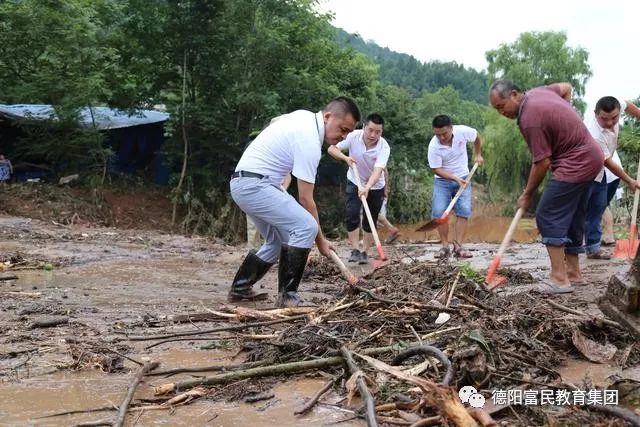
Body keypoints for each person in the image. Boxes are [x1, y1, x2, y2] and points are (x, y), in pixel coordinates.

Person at [228, 96, 360, 307]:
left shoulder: (304, 117)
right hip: (255, 185)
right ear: (328, 117)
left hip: (247, 183)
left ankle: (240, 288)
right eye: (342, 129)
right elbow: (306, 199)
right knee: (306, 226)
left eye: (348, 133)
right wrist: (321, 241)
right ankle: (287, 296)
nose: (343, 137)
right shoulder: (309, 140)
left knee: (277, 241)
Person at [489, 80, 604, 293]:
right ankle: (574, 273)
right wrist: (566, 114)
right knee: (573, 214)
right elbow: (567, 87)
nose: (501, 113)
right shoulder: (538, 92)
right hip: (593, 157)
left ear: (514, 94)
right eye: (497, 109)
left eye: (501, 106)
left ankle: (559, 278)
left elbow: (542, 162)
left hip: (575, 163)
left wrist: (527, 194)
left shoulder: (529, 119)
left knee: (547, 214)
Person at [328, 113, 390, 264]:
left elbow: (378, 170)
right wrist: (346, 158)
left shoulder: (384, 146)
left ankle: (365, 251)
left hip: (375, 186)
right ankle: (355, 249)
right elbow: (332, 149)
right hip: (354, 180)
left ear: (381, 132)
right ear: (364, 127)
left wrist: (368, 187)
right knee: (352, 213)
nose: (373, 135)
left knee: (370, 220)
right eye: (370, 130)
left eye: (378, 132)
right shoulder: (353, 136)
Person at [584, 97, 640, 259]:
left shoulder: (618, 106)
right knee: (588, 207)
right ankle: (575, 246)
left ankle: (592, 247)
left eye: (614, 118)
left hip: (601, 168)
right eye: (604, 119)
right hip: (585, 168)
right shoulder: (594, 134)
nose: (610, 123)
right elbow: (607, 162)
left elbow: (628, 104)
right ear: (596, 115)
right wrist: (629, 180)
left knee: (599, 205)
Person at [427, 115, 483, 259]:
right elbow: (436, 169)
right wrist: (454, 178)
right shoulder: (434, 146)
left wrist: (478, 154)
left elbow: (477, 137)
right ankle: (445, 247)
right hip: (442, 181)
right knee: (440, 213)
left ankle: (458, 246)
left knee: (463, 210)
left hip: (464, 177)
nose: (442, 137)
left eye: (444, 133)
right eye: (438, 134)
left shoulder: (463, 131)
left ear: (452, 128)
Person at [378, 168, 401, 244]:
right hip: (377, 190)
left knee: (374, 213)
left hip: (377, 190)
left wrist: (385, 189)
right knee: (376, 217)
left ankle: (392, 229)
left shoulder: (378, 159)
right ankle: (373, 239)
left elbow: (385, 172)